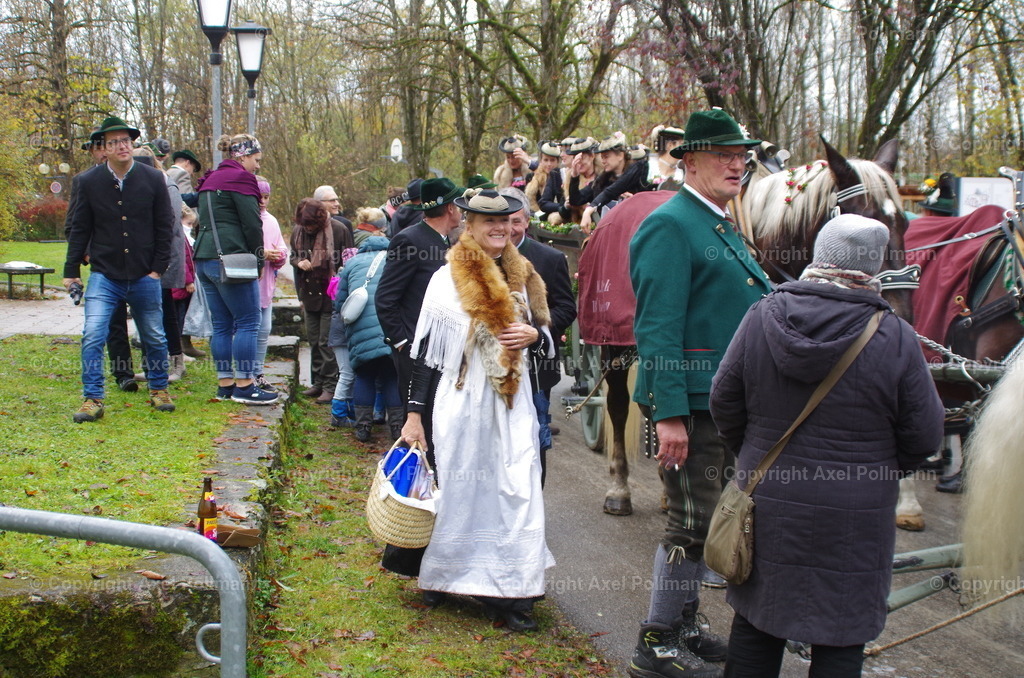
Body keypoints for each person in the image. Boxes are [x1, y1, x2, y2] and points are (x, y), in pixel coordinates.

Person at [710, 214, 944, 678]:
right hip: (857, 515)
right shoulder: (894, 335)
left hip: (768, 498)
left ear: (819, 254)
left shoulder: (762, 315)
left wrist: (754, 452)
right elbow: (925, 434)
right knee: (841, 633)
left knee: (758, 622)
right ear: (873, 266)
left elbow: (723, 400)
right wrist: (875, 471)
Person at [627, 109, 773, 678]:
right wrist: (668, 415)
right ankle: (656, 638)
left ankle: (684, 624)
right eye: (724, 156)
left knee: (709, 520)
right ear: (689, 162)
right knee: (690, 523)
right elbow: (657, 327)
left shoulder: (715, 221)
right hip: (691, 404)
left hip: (721, 403)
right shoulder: (672, 224)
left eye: (742, 157)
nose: (738, 165)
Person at [399, 188, 555, 632]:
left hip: (514, 401)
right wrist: (414, 415)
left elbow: (545, 338)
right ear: (469, 225)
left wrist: (534, 337)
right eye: (490, 222)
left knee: (519, 488)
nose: (500, 228)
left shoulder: (524, 274)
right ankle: (447, 576)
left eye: (506, 221)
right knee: (462, 489)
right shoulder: (447, 278)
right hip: (464, 400)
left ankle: (514, 591)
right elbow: (426, 354)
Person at [63, 116, 175, 422]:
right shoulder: (88, 182)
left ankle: (159, 388)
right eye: (114, 142)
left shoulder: (153, 178)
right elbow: (79, 228)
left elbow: (165, 226)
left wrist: (157, 268)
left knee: (154, 336)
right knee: (93, 334)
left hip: (144, 274)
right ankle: (93, 398)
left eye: (126, 140)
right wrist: (71, 270)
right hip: (105, 274)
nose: (122, 146)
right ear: (104, 148)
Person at [193, 132, 279, 405]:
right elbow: (252, 225)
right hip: (232, 259)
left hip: (204, 257)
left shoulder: (210, 179)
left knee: (221, 324)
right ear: (242, 156)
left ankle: (225, 384)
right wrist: (258, 260)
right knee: (248, 321)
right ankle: (245, 385)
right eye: (256, 159)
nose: (258, 165)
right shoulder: (241, 179)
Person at [500, 186, 577, 484]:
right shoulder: (479, 256)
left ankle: (533, 503)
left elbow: (566, 309)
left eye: (516, 221)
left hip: (535, 369)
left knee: (533, 442)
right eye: (503, 220)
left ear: (527, 222)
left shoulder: (550, 258)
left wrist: (536, 330)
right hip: (492, 368)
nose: (509, 228)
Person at [374, 177, 463, 403]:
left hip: (439, 348)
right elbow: (385, 297)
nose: (462, 210)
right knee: (417, 416)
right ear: (450, 208)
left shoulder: (444, 240)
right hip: (416, 350)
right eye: (458, 204)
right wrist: (402, 343)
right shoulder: (409, 240)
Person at [334, 235, 402, 441]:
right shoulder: (396, 260)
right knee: (391, 376)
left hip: (360, 329)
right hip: (390, 326)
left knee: (364, 376)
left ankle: (363, 427)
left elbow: (340, 303)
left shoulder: (352, 263)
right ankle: (397, 427)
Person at [290, 198, 348, 404]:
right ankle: (317, 381)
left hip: (331, 294)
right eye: (304, 224)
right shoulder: (298, 231)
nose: (308, 229)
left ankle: (330, 385)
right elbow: (292, 256)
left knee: (327, 342)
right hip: (308, 293)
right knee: (313, 340)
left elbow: (349, 259)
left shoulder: (339, 229)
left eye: (311, 225)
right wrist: (299, 262)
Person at [253, 176, 289, 392]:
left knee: (264, 329)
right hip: (248, 283)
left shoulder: (272, 221)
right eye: (259, 196)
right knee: (248, 329)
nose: (263, 201)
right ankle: (244, 373)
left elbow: (281, 247)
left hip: (266, 283)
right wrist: (261, 253)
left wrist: (279, 256)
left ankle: (258, 372)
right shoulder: (245, 219)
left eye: (266, 197)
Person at [579, 133, 653, 233]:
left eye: (606, 157)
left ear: (620, 155)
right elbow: (578, 199)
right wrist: (574, 175)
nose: (603, 161)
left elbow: (615, 189)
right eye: (602, 157)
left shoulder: (639, 168)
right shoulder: (603, 179)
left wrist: (590, 208)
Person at [525, 141, 562, 218]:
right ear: (541, 160)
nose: (549, 164)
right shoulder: (531, 176)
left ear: (557, 162)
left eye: (552, 160)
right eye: (546, 160)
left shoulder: (560, 176)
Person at [649, 125, 687, 190]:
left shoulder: (684, 173)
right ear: (670, 145)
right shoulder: (646, 168)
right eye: (682, 145)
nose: (685, 149)